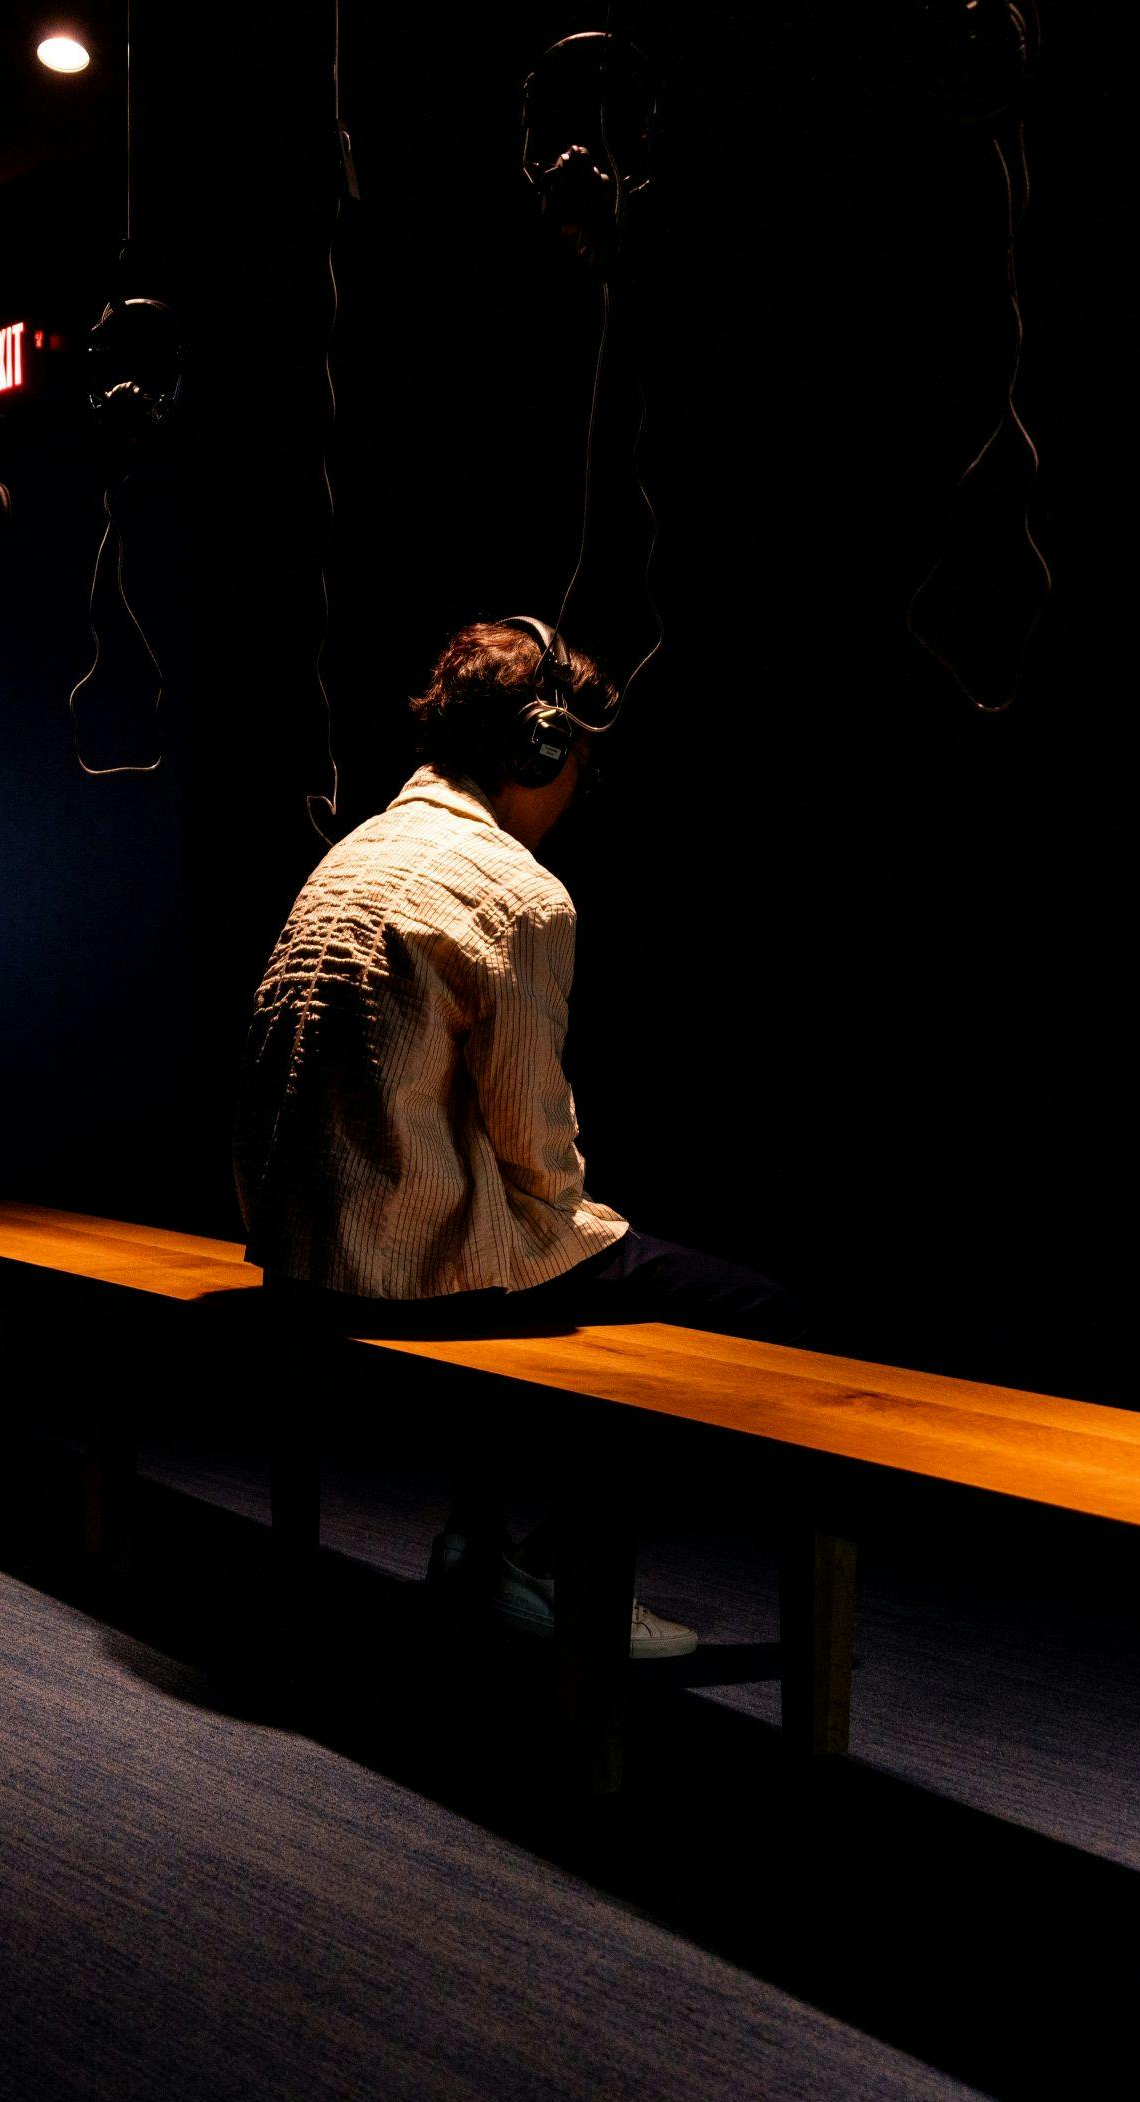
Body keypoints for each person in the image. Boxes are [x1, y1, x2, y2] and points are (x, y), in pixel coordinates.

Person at [232, 616, 785, 1657]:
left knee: (505, 1226)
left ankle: (482, 1543)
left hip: (297, 1255)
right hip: (389, 1279)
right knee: (751, 1311)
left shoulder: (351, 853)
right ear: (543, 748)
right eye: (582, 758)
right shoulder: (518, 894)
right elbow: (535, 1148)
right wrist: (590, 1227)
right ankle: (551, 1574)